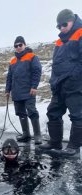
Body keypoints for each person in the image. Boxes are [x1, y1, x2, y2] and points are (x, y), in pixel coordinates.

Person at [39, 9, 82, 157]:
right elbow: (56, 64)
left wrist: (75, 78)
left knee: (77, 115)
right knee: (53, 112)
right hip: (59, 85)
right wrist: (53, 81)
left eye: (64, 24)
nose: (62, 28)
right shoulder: (59, 41)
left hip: (75, 84)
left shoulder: (80, 33)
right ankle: (55, 142)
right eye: (59, 26)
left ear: (72, 20)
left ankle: (74, 147)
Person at [5, 36, 42, 145]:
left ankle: (37, 135)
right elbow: (9, 77)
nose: (18, 47)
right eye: (16, 46)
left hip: (28, 91)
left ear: (24, 45)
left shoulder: (32, 57)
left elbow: (37, 71)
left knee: (32, 111)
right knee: (20, 112)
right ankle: (26, 134)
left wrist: (34, 86)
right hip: (16, 92)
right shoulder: (12, 61)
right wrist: (8, 90)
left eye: (20, 45)